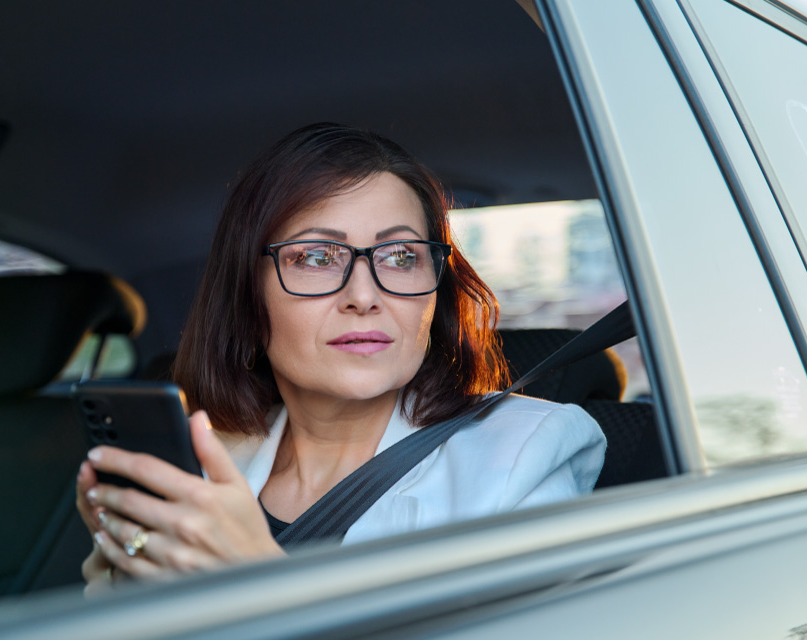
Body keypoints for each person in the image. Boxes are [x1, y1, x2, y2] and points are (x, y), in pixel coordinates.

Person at [76, 123, 605, 592]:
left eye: (400, 257)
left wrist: (260, 586)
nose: (364, 295)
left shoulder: (527, 455)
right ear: (247, 297)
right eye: (315, 257)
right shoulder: (204, 466)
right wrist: (120, 592)